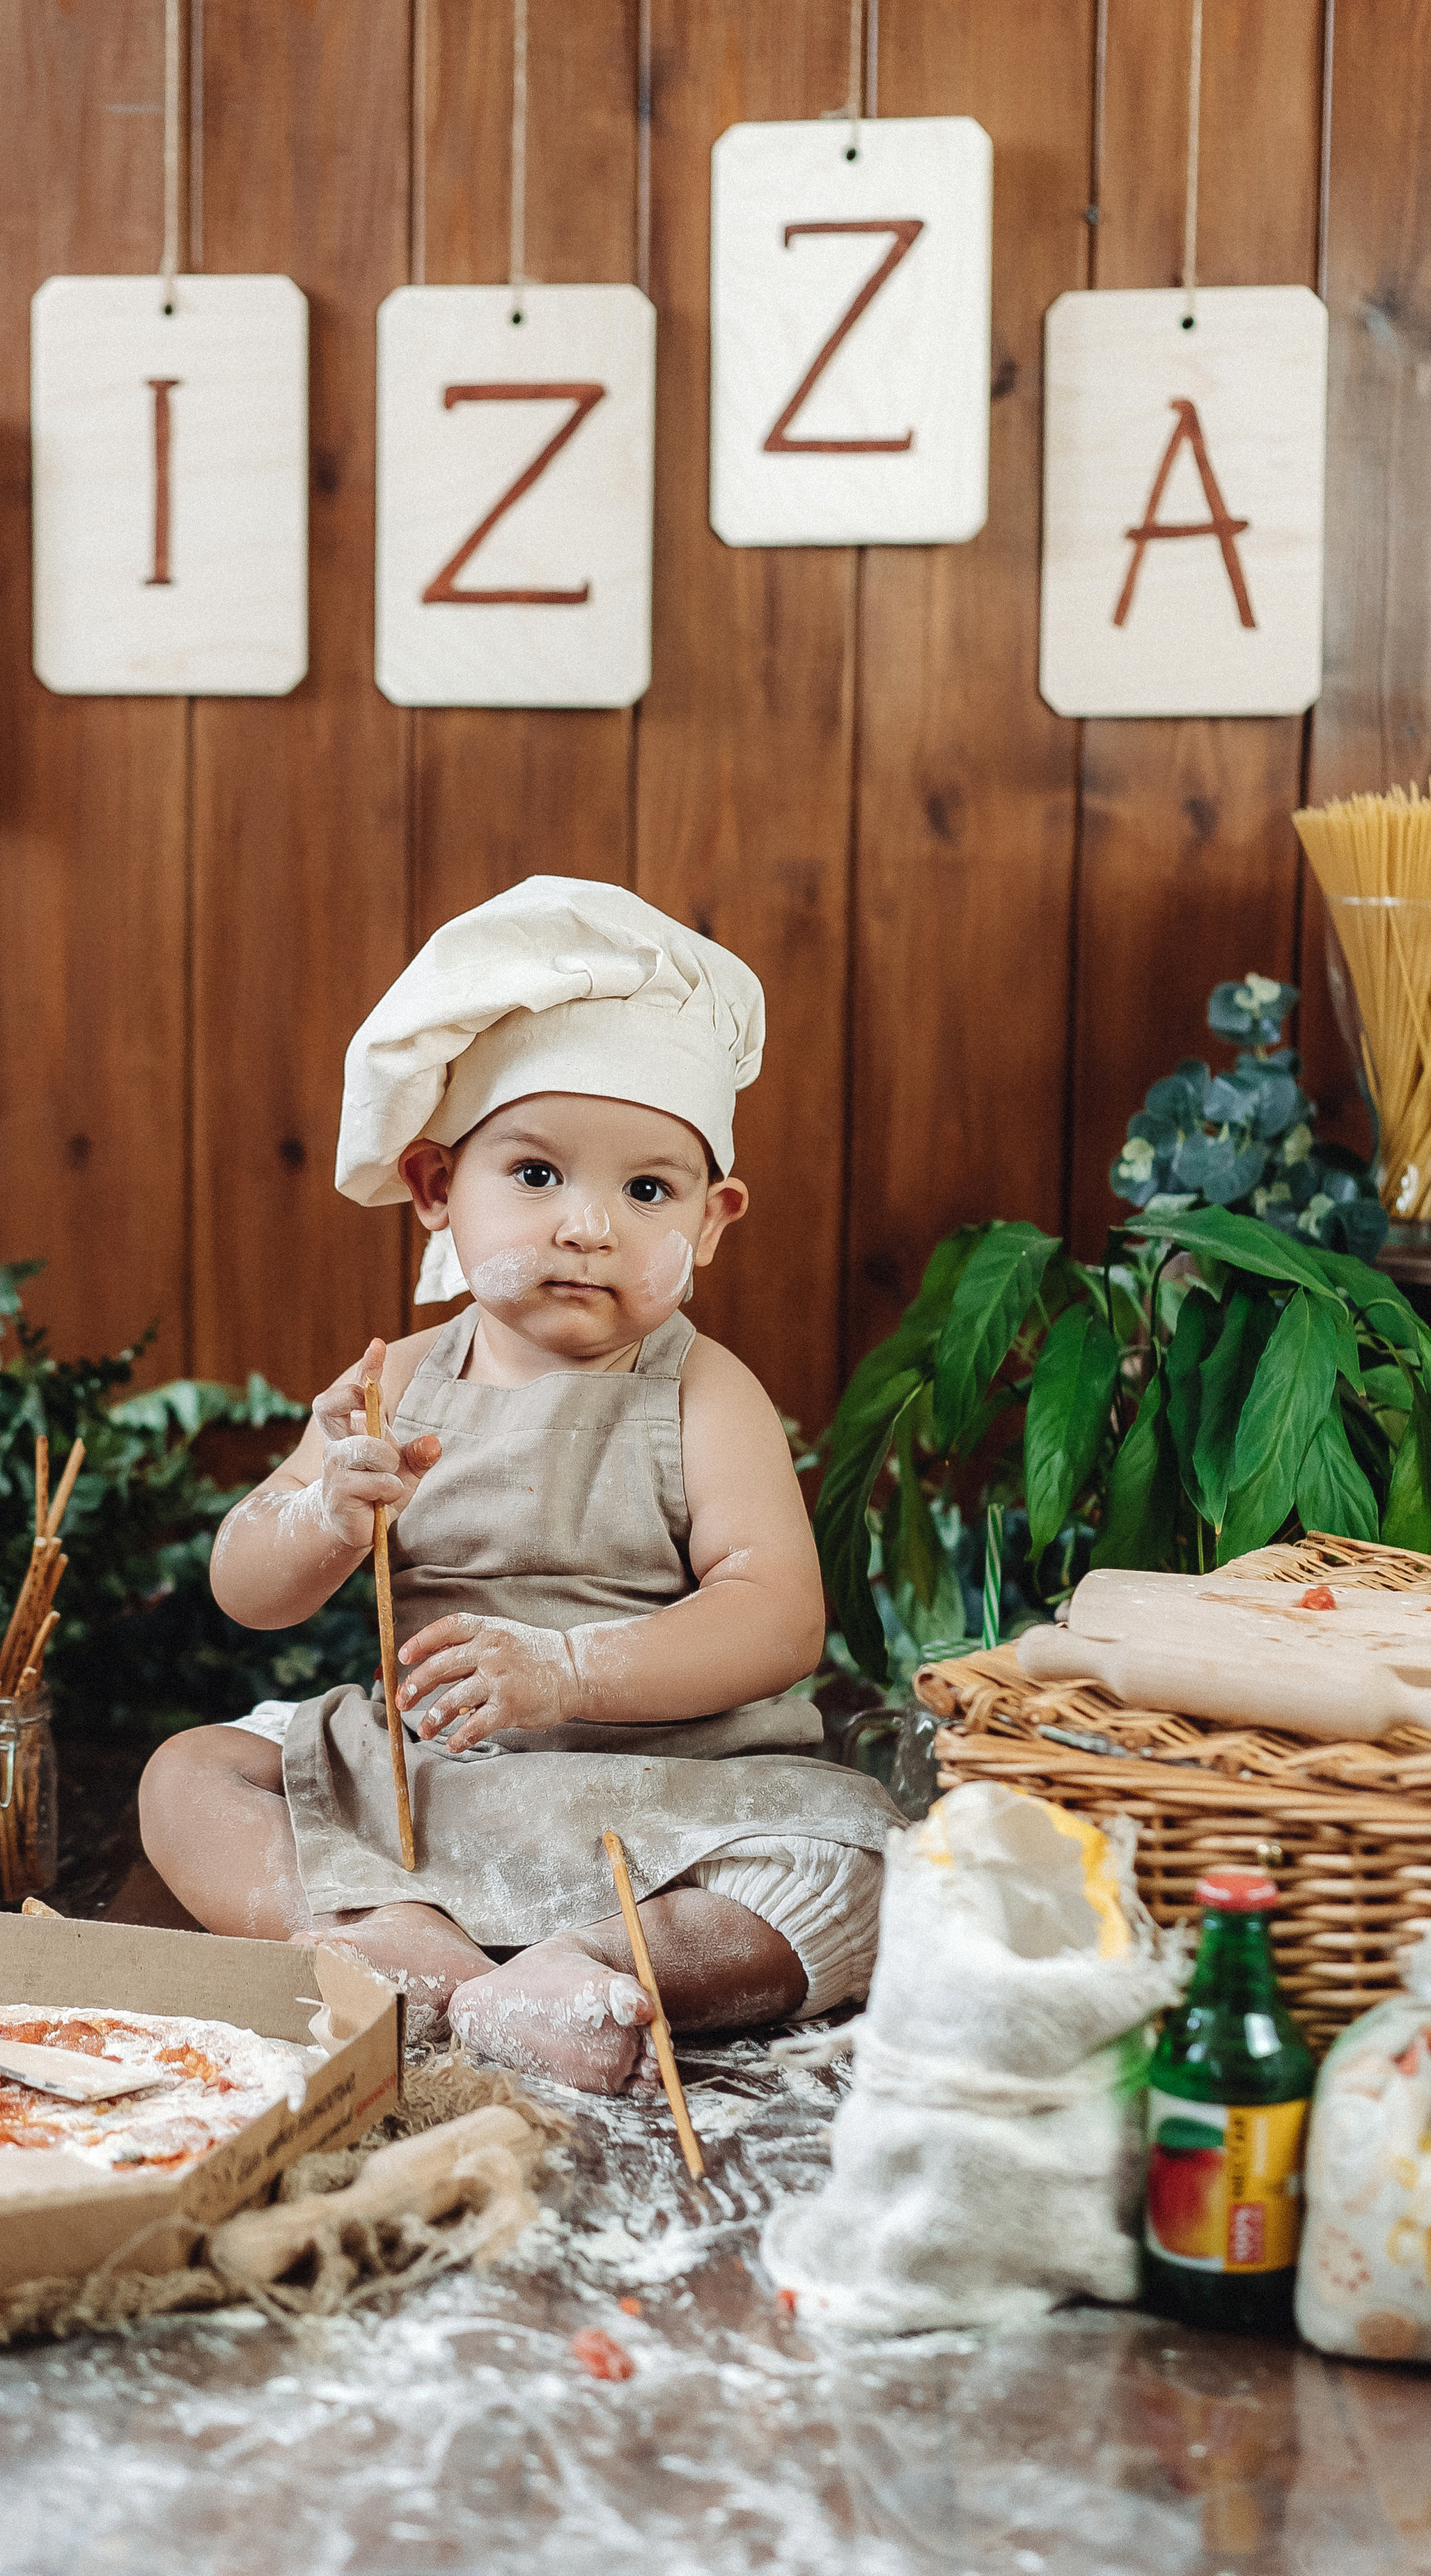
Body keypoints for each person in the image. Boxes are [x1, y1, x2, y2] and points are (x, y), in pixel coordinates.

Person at [139, 877, 900, 2091]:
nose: (588, 1227)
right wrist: (323, 1514)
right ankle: (418, 1953)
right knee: (189, 1778)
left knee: (855, 1868)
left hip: (670, 1797)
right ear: (437, 1187)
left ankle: (591, 1964)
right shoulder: (395, 1384)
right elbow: (248, 1588)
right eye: (537, 1175)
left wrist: (570, 1671)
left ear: (712, 1222)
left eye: (647, 1191)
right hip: (432, 1782)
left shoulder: (704, 1394)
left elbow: (779, 1618)